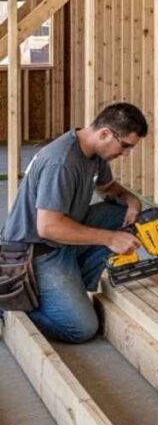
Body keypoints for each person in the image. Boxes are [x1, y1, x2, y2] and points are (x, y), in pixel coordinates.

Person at [0, 103, 148, 343]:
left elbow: (108, 188)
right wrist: (110, 238)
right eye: (125, 147)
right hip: (36, 251)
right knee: (81, 328)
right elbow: (48, 227)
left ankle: (71, 281)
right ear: (105, 134)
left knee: (120, 214)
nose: (126, 155)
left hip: (61, 235)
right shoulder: (62, 162)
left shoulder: (93, 153)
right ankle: (9, 304)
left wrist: (131, 201)